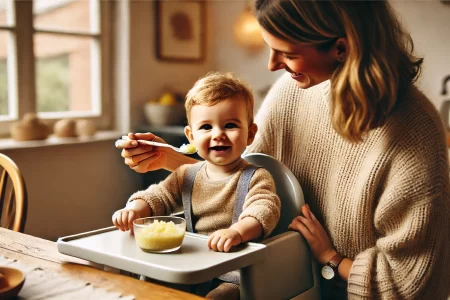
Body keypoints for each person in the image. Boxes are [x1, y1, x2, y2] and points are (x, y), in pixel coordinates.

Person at [116, 1, 450, 299]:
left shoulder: (412, 132)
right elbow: (240, 177)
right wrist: (169, 159)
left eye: (287, 54)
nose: (273, 65)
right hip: (285, 280)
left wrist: (331, 258)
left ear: (340, 48)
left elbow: (408, 281)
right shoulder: (291, 91)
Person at [113, 72, 281, 299]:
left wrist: (237, 232)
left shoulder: (256, 176)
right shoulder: (186, 175)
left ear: (250, 134)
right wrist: (134, 211)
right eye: (206, 127)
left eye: (230, 125)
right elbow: (158, 197)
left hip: (234, 272)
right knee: (148, 286)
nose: (218, 134)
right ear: (191, 137)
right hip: (190, 264)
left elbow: (263, 210)